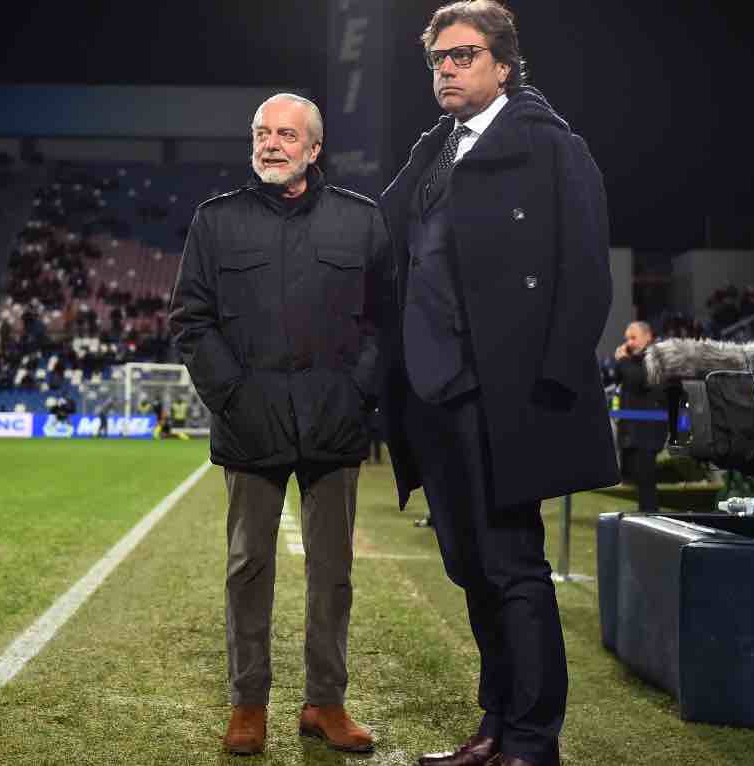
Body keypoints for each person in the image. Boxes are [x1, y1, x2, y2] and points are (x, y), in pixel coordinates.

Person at [377, 3, 620, 765]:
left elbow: (586, 276)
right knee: (472, 569)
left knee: (514, 569)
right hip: (431, 395)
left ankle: (532, 739)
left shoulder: (552, 149)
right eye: (438, 59)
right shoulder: (432, 153)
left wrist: (548, 387)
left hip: (503, 397)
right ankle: (494, 726)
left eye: (463, 56)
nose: (446, 69)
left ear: (504, 65)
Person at [170, 92, 389, 756]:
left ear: (314, 148)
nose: (270, 143)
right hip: (251, 428)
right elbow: (190, 320)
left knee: (333, 572)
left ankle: (325, 703)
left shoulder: (362, 222)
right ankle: (249, 705)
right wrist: (234, 397)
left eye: (285, 134)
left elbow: (385, 322)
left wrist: (355, 396)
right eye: (261, 133)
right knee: (247, 568)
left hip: (334, 426)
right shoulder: (215, 223)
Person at [614, 321, 666, 513]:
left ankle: (651, 517)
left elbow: (639, 380)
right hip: (633, 429)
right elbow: (619, 377)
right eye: (627, 338)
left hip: (648, 430)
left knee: (646, 481)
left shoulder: (656, 357)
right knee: (637, 479)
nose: (629, 343)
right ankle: (645, 515)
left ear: (647, 336)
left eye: (633, 338)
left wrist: (623, 361)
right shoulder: (633, 360)